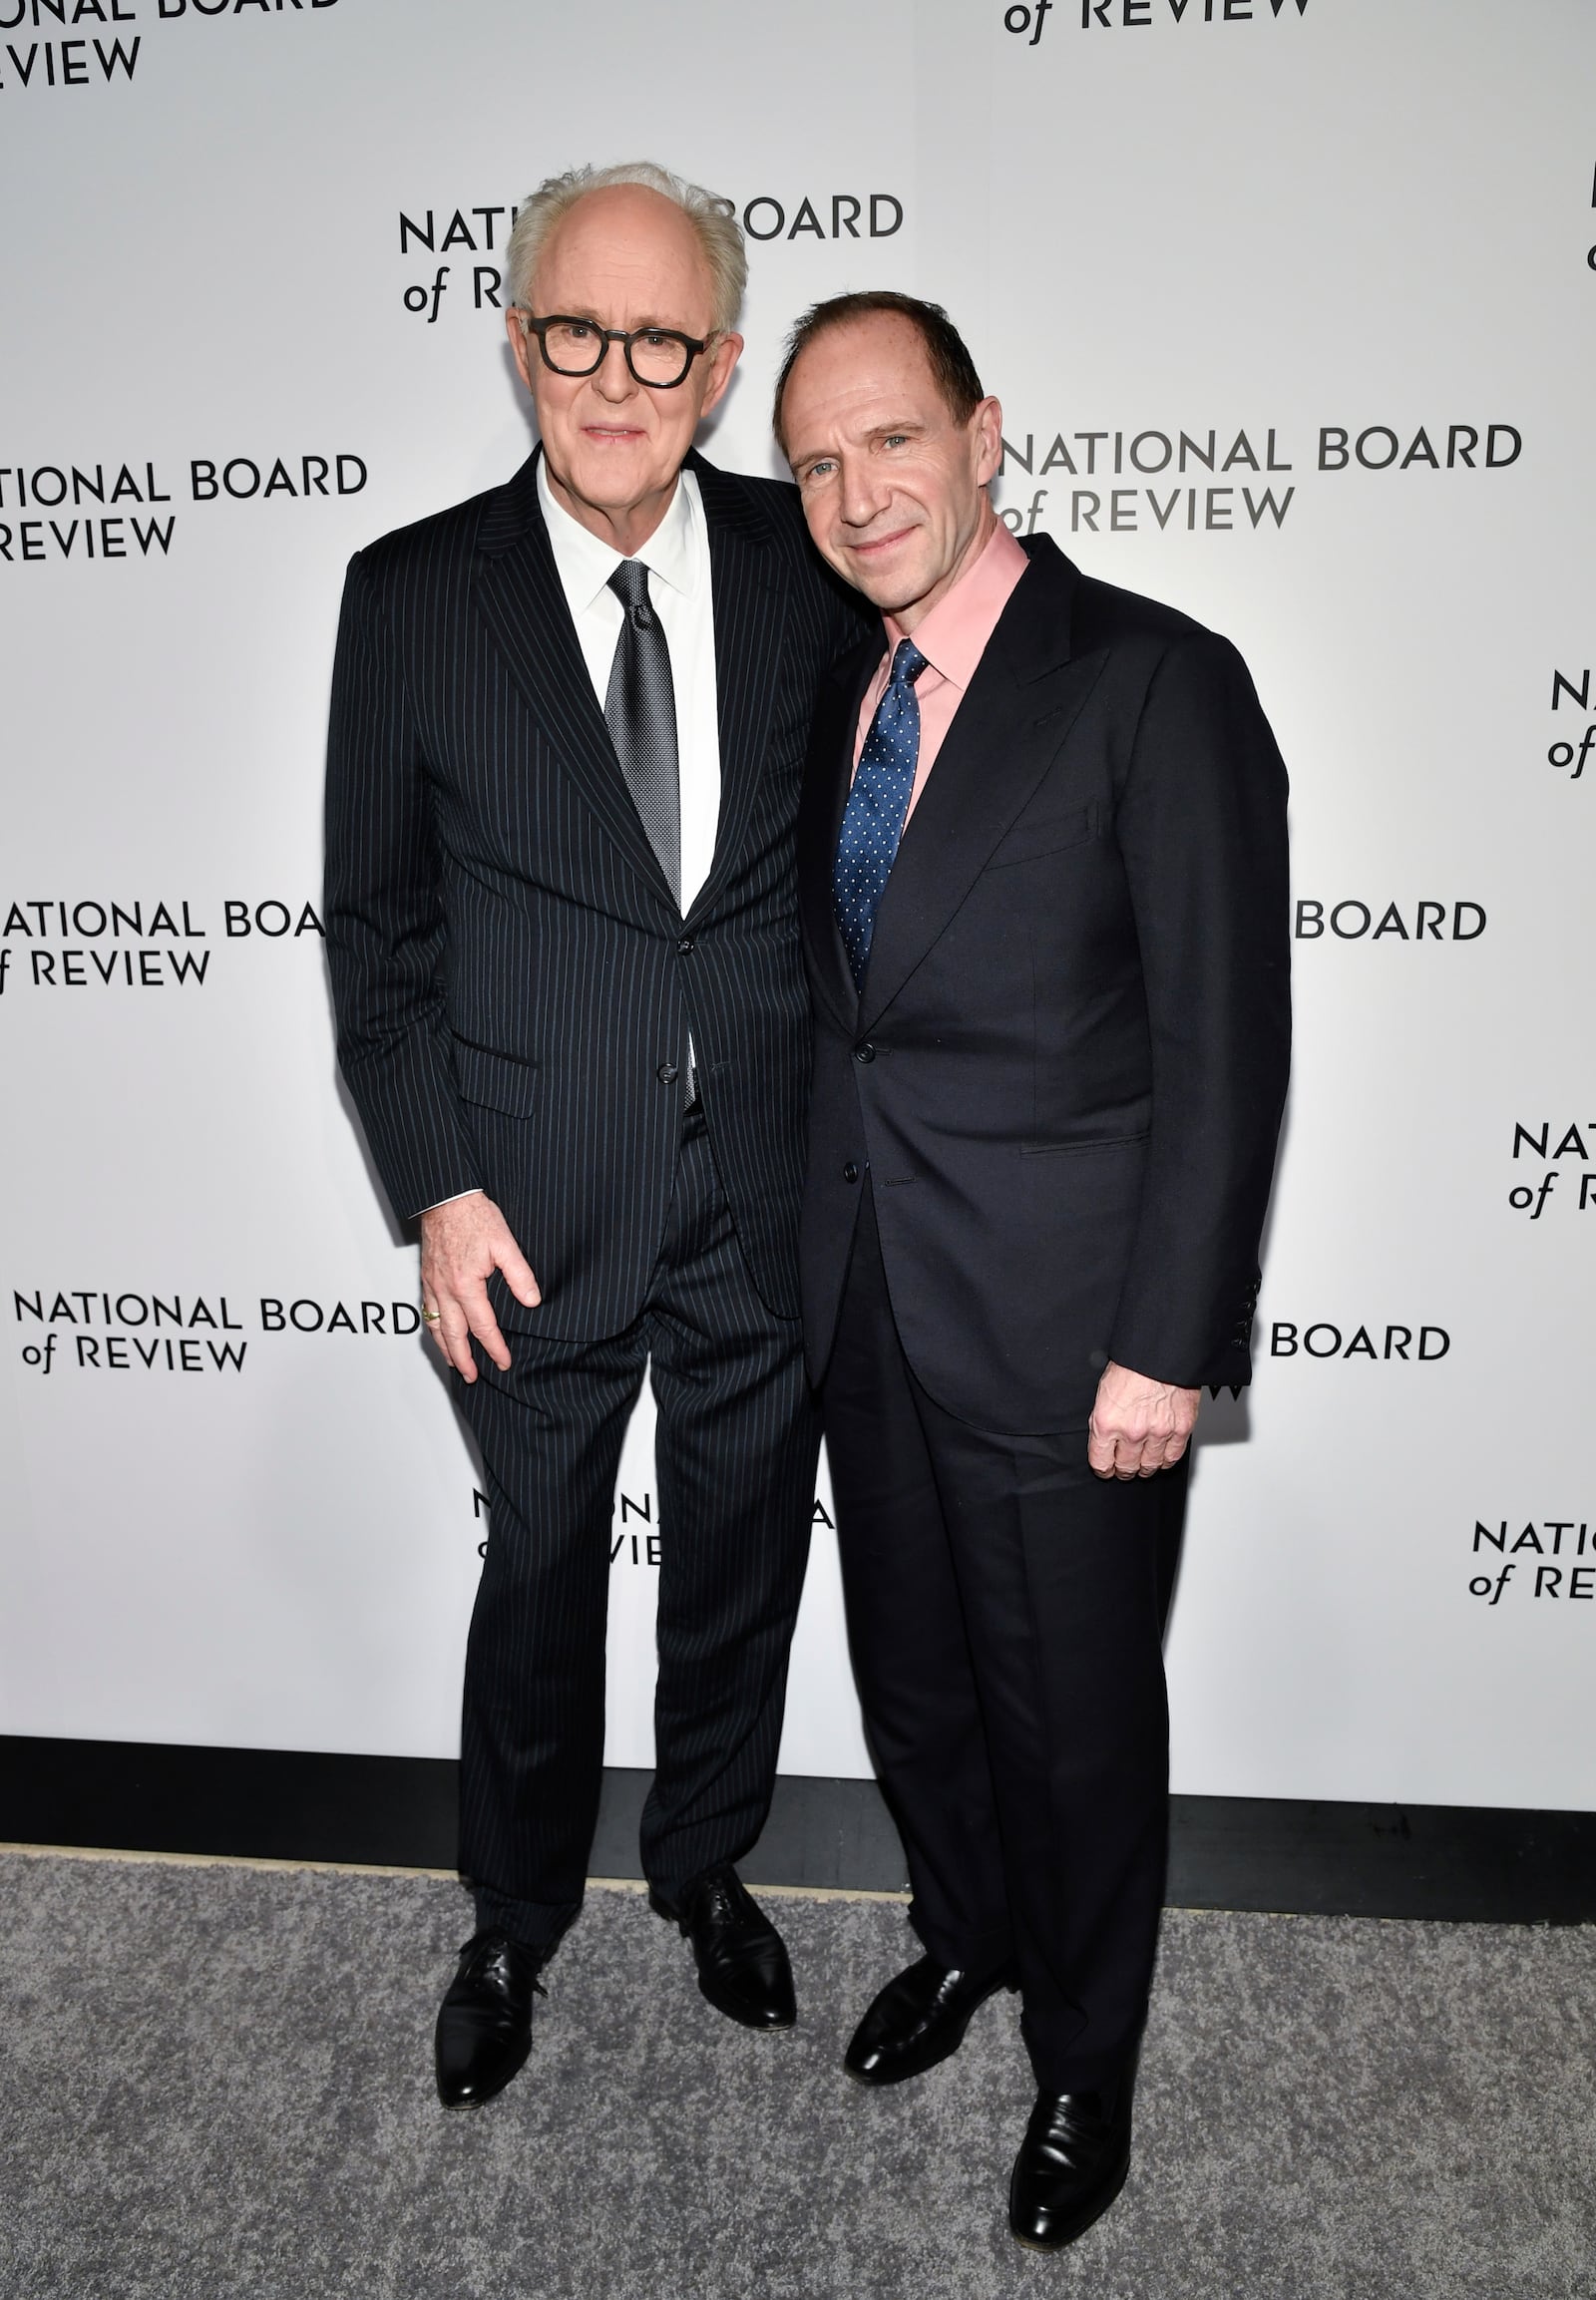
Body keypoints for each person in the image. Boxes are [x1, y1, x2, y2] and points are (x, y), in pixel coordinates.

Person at [324, 163, 862, 2111]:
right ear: (513, 331)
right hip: (529, 1207)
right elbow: (376, 932)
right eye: (574, 329)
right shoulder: (409, 596)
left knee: (735, 1560)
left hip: (763, 1197)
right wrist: (438, 1190)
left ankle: (701, 1860)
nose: (610, 378)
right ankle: (509, 1915)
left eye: (657, 341)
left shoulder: (812, 572)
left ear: (719, 367)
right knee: (538, 1572)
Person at [774, 291, 1291, 2251]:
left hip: (1071, 1329)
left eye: (886, 438)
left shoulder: (1153, 680)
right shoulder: (839, 687)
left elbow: (1217, 1042)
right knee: (915, 1680)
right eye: (814, 460)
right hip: (865, 1302)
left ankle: (1086, 2060)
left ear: (984, 434)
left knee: (1073, 1715)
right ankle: (966, 1935)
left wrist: (1167, 1342)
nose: (852, 488)